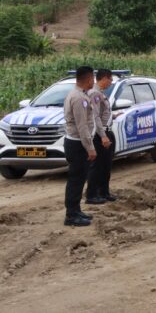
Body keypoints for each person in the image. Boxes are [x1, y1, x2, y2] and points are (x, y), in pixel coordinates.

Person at [62, 66, 97, 226]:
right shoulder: (78, 98)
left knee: (79, 178)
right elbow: (82, 126)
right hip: (77, 145)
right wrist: (90, 147)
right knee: (76, 180)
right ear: (89, 79)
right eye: (93, 79)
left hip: (76, 143)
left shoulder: (78, 94)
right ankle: (71, 215)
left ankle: (76, 210)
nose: (94, 82)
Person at [85, 69, 116, 204]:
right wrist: (103, 136)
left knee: (105, 165)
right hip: (100, 134)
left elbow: (102, 114)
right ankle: (91, 195)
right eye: (110, 79)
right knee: (97, 166)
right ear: (104, 79)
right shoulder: (95, 94)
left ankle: (104, 192)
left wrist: (112, 116)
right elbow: (95, 116)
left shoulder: (100, 93)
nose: (111, 82)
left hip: (105, 131)